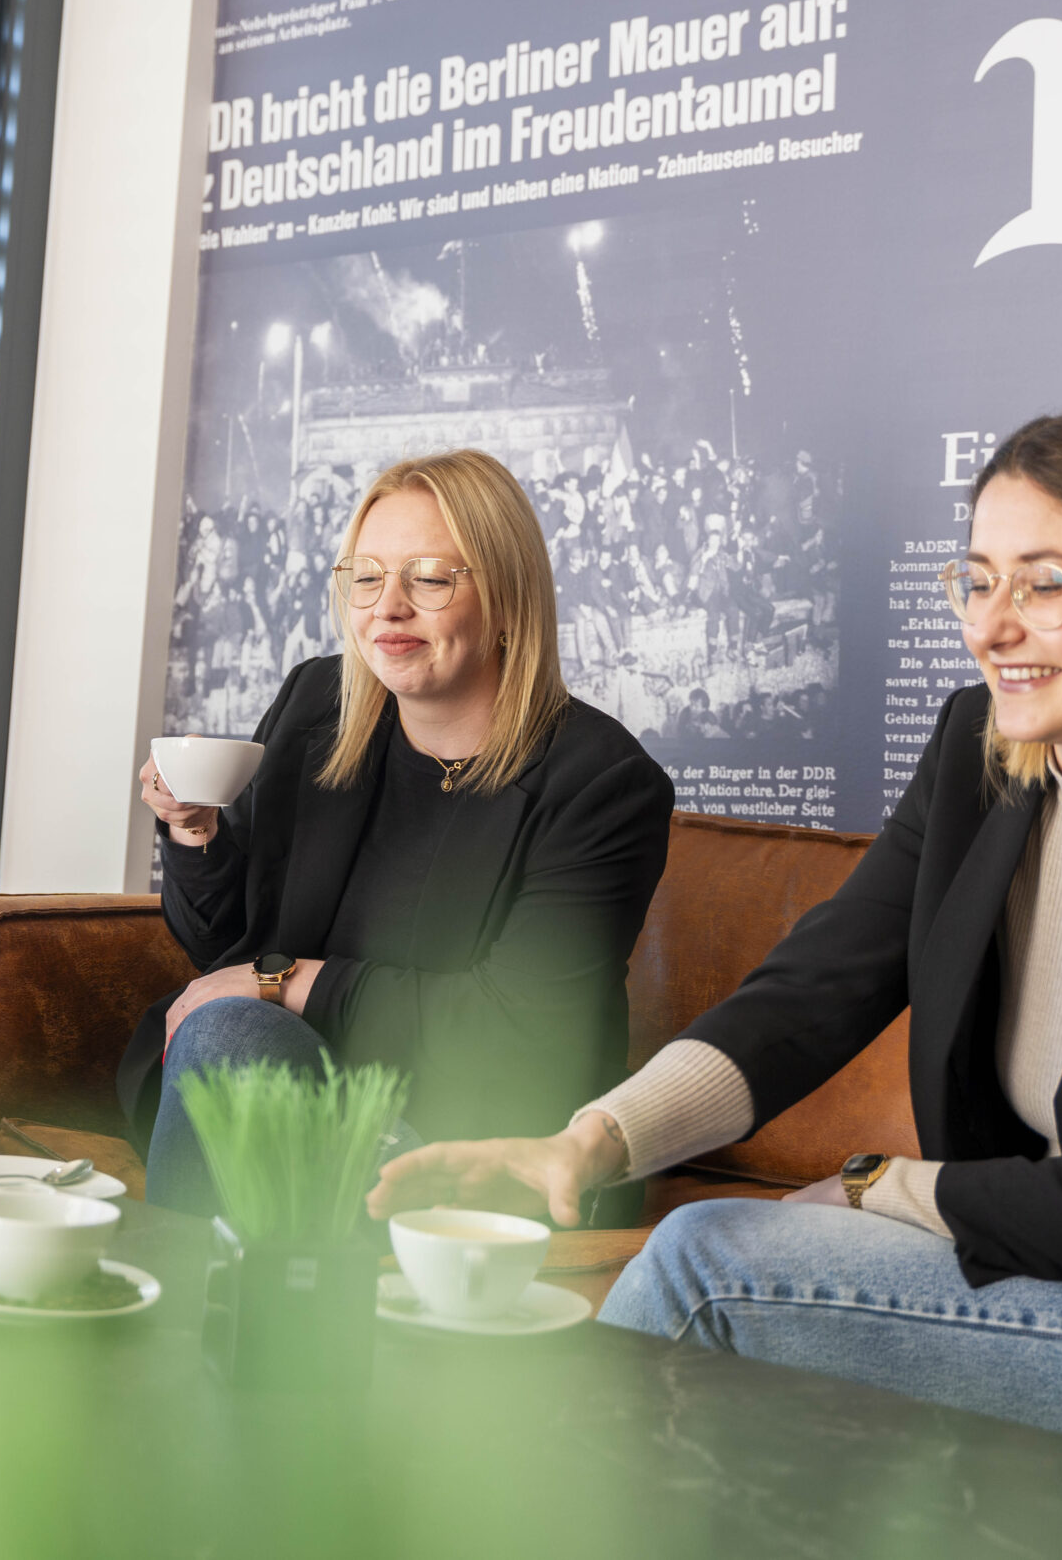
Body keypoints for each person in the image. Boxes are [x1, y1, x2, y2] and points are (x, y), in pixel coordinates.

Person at [368, 405, 1062, 1486]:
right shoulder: (976, 756)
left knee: (706, 1263)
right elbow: (818, 987)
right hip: (1055, 1263)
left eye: (1043, 583)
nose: (989, 626)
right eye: (976, 581)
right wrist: (594, 1140)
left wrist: (873, 1188)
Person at [125, 449, 674, 1216]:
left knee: (227, 1034)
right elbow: (224, 948)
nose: (387, 607)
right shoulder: (319, 706)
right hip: (281, 1080)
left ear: (508, 597)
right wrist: (195, 833)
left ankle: (188, 1314)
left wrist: (277, 982)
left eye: (430, 577)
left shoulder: (602, 783)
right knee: (229, 1034)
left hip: (468, 1138)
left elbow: (514, 1032)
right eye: (368, 576)